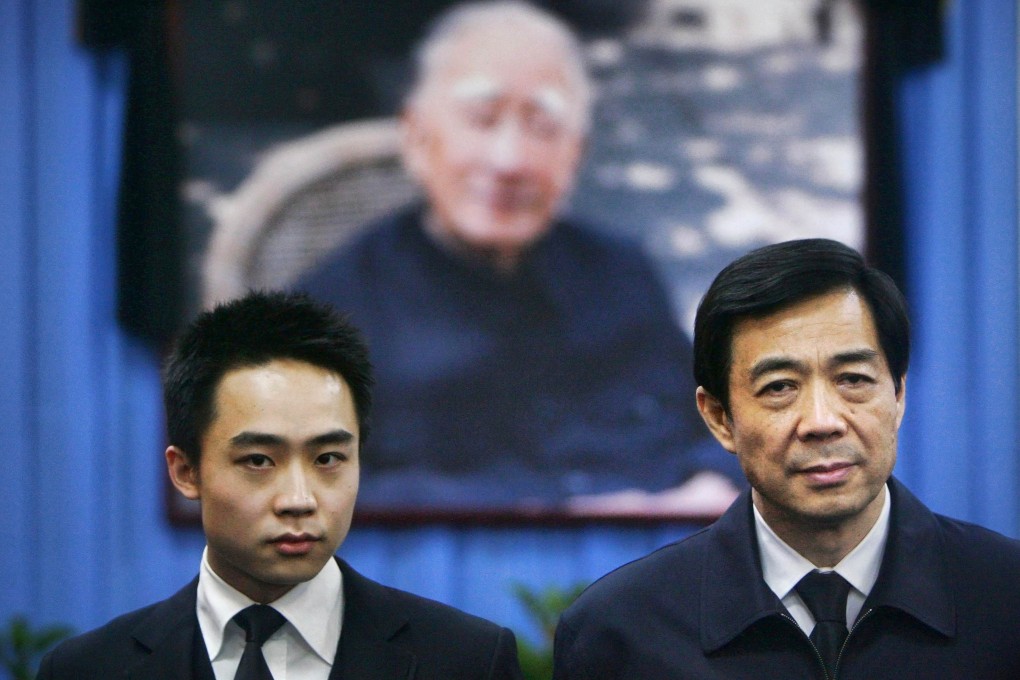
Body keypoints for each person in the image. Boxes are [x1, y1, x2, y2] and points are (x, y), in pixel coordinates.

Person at [297, 0, 740, 513]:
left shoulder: (622, 272)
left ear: (575, 153)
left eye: (543, 125)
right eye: (482, 120)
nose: (510, 161)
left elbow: (721, 418)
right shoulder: (331, 313)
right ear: (416, 137)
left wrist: (711, 486)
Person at [553, 238, 1020, 678]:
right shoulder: (620, 631)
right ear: (719, 418)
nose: (822, 421)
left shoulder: (1004, 598)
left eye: (853, 379)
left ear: (898, 395)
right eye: (779, 387)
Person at [38, 291, 523, 680]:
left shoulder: (468, 660)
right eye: (258, 460)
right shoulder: (88, 668)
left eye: (328, 458)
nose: (299, 500)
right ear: (186, 471)